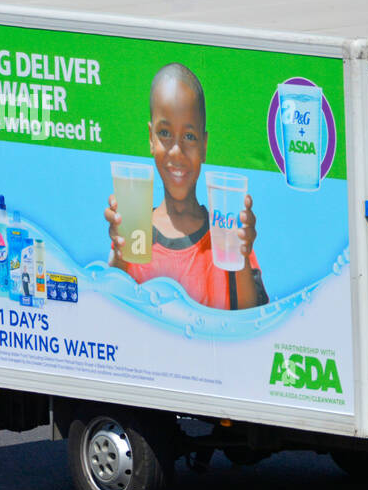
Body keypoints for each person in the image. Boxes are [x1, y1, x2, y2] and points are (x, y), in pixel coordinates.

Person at [104, 63, 267, 310]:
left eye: (189, 136)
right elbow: (112, 314)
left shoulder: (225, 236)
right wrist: (118, 254)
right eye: (165, 133)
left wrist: (242, 254)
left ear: (204, 145)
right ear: (150, 138)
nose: (177, 151)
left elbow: (250, 320)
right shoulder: (134, 236)